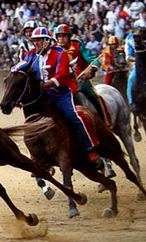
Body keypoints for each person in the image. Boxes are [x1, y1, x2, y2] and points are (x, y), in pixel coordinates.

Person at [14, 27, 100, 165]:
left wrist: (48, 84)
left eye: (39, 40)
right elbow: (20, 66)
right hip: (44, 95)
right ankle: (39, 157)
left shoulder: (60, 53)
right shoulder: (32, 54)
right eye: (34, 40)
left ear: (47, 41)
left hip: (61, 93)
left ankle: (91, 148)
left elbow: (62, 74)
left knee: (74, 115)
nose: (35, 43)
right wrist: (14, 72)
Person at [54, 24, 109, 125]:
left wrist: (92, 68)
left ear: (69, 37)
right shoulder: (54, 49)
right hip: (62, 81)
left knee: (93, 95)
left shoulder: (77, 45)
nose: (61, 39)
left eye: (64, 36)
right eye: (59, 36)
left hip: (80, 79)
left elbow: (91, 58)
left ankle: (104, 121)